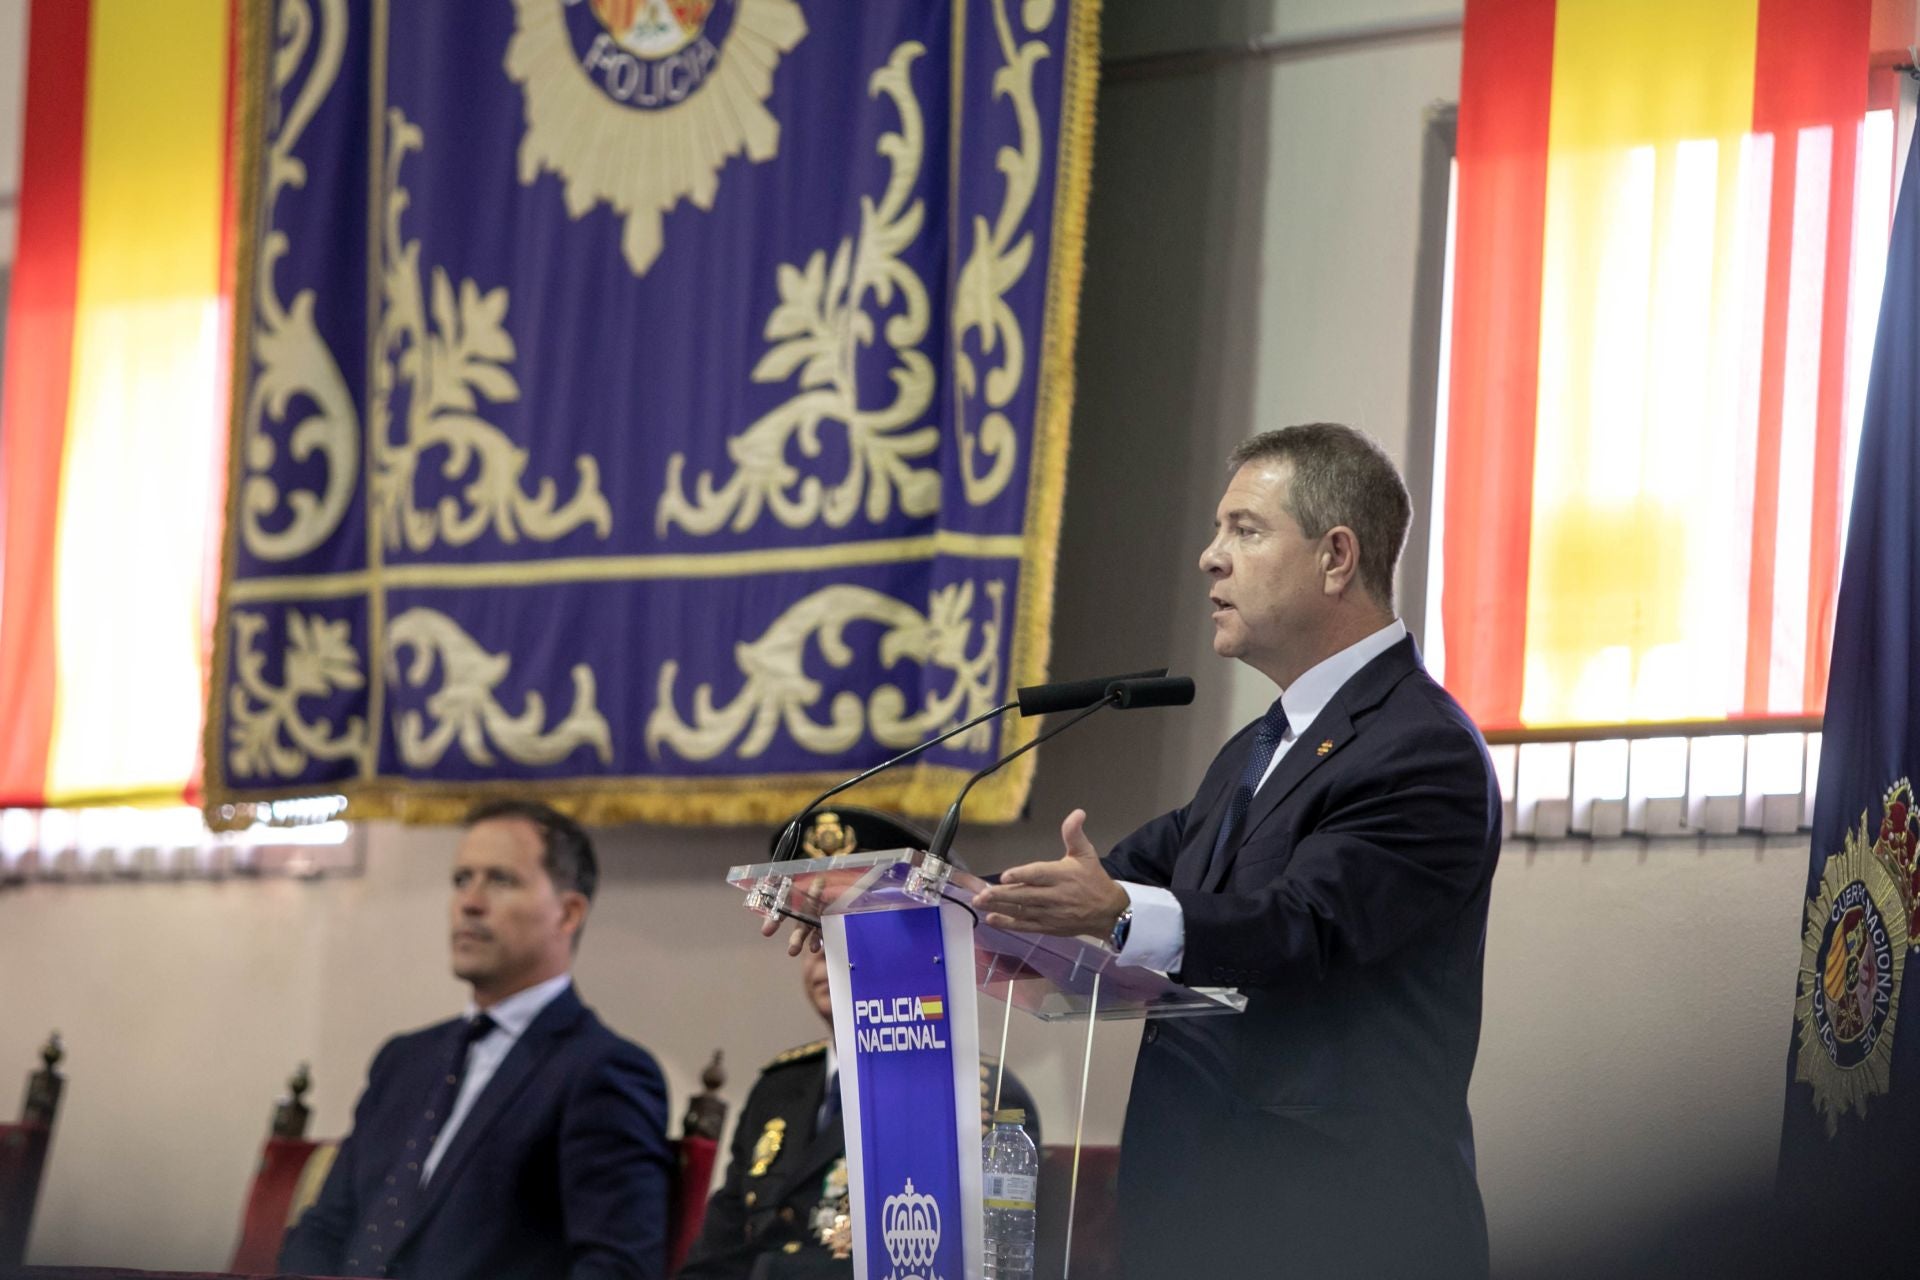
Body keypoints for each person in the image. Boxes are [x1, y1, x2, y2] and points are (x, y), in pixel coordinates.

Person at [971, 423, 1502, 1278]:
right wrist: (939, 906)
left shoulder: (1421, 748)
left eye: (1244, 531)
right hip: (1196, 1221)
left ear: (1336, 557)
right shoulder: (1259, 747)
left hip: (1337, 1233)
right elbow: (1118, 877)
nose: (1210, 559)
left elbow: (1302, 926)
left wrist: (1113, 915)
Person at [280, 800, 672, 1279]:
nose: (470, 902)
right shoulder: (403, 1060)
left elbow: (616, 1268)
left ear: (568, 914)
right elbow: (326, 1229)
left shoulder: (602, 1071)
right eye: (461, 880)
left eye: (500, 880)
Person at [686, 809, 1040, 1279]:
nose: (828, 949)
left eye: (852, 927)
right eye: (815, 927)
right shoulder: (779, 1087)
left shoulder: (976, 1094)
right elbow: (716, 1256)